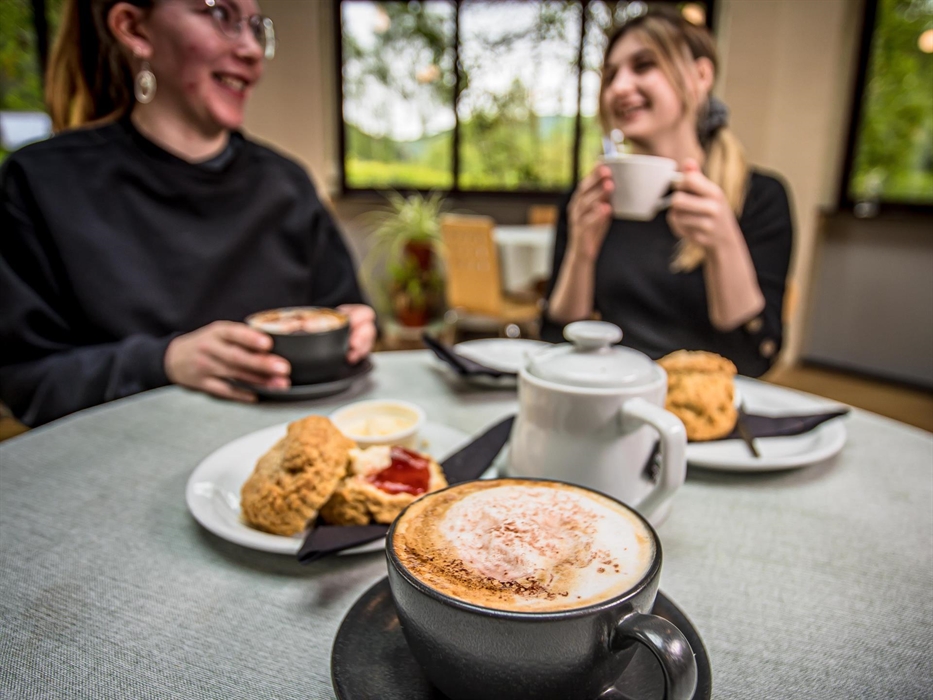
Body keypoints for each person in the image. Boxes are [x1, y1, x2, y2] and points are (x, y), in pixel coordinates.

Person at [0, 0, 376, 427]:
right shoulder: (41, 182)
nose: (251, 49)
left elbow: (345, 310)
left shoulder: (287, 182)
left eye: (255, 27)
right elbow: (25, 380)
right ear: (134, 29)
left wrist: (353, 332)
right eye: (220, 15)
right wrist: (165, 361)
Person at [543, 7, 792, 377]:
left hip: (701, 405)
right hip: (607, 390)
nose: (619, 87)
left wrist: (724, 244)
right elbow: (556, 339)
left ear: (701, 75)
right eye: (610, 75)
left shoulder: (759, 197)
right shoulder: (588, 199)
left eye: (643, 66)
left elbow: (755, 358)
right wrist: (581, 252)